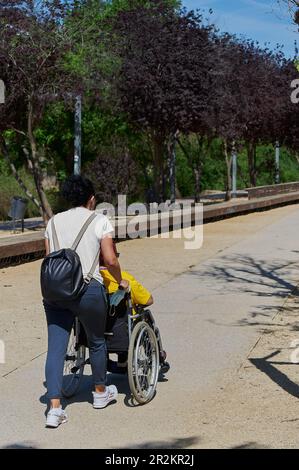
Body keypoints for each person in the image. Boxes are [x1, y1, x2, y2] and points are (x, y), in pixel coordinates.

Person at [43, 175, 129, 428]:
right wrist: (120, 280)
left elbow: (51, 260)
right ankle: (100, 392)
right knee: (98, 340)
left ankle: (54, 409)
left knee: (56, 348)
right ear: (91, 199)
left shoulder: (53, 223)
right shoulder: (99, 220)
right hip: (88, 290)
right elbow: (110, 260)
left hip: (55, 292)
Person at [100, 242, 167, 373]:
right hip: (121, 329)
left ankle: (119, 362)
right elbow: (148, 300)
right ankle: (158, 355)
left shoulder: (89, 281)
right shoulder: (124, 278)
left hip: (96, 328)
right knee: (142, 315)